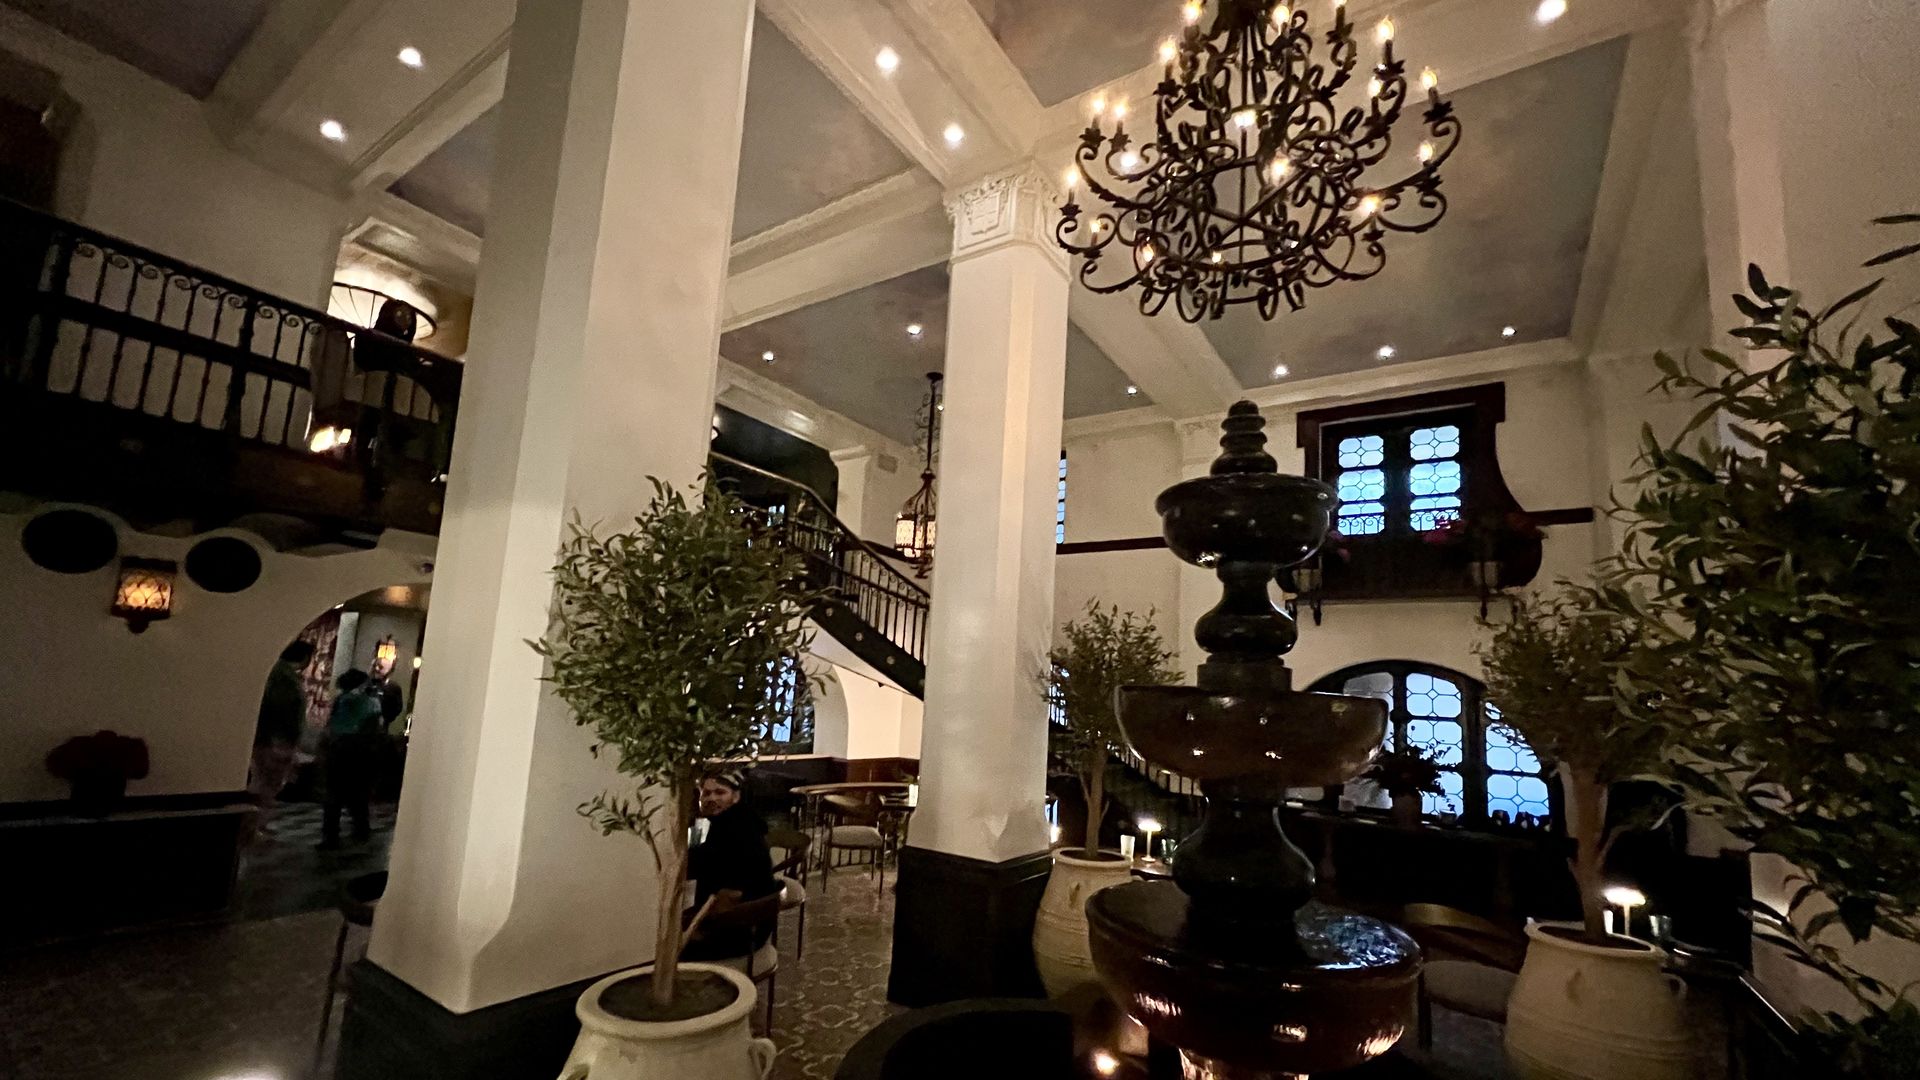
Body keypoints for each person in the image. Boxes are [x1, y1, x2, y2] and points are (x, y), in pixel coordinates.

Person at [681, 769, 779, 961]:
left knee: (664, 946)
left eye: (720, 792)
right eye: (706, 793)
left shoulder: (738, 828)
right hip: (749, 922)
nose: (711, 798)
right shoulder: (733, 820)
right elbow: (708, 860)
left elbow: (731, 892)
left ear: (736, 796)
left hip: (742, 929)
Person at [248, 640, 314, 839]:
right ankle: (254, 825)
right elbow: (284, 713)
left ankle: (257, 824)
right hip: (275, 739)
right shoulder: (284, 679)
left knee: (265, 782)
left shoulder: (277, 674)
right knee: (267, 783)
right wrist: (287, 740)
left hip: (268, 738)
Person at [319, 669, 383, 850]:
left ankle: (330, 836)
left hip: (338, 750)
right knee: (359, 794)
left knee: (333, 796)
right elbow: (374, 729)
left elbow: (330, 727)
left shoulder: (341, 700)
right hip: (361, 752)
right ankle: (361, 830)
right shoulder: (371, 702)